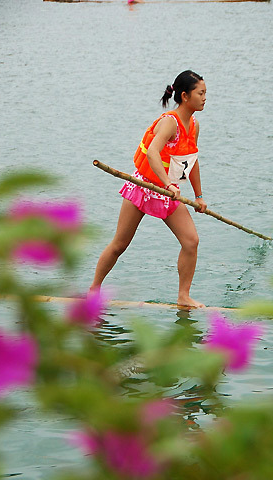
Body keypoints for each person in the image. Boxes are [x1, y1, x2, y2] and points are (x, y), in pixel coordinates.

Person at [90, 70, 207, 308]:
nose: (205, 98)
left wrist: (199, 196)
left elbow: (192, 161)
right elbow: (153, 153)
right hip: (144, 187)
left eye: (206, 93)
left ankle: (183, 295)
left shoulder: (193, 125)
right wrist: (168, 184)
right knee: (120, 244)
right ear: (185, 96)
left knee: (191, 241)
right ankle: (94, 291)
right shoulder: (169, 122)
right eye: (201, 93)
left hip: (167, 193)